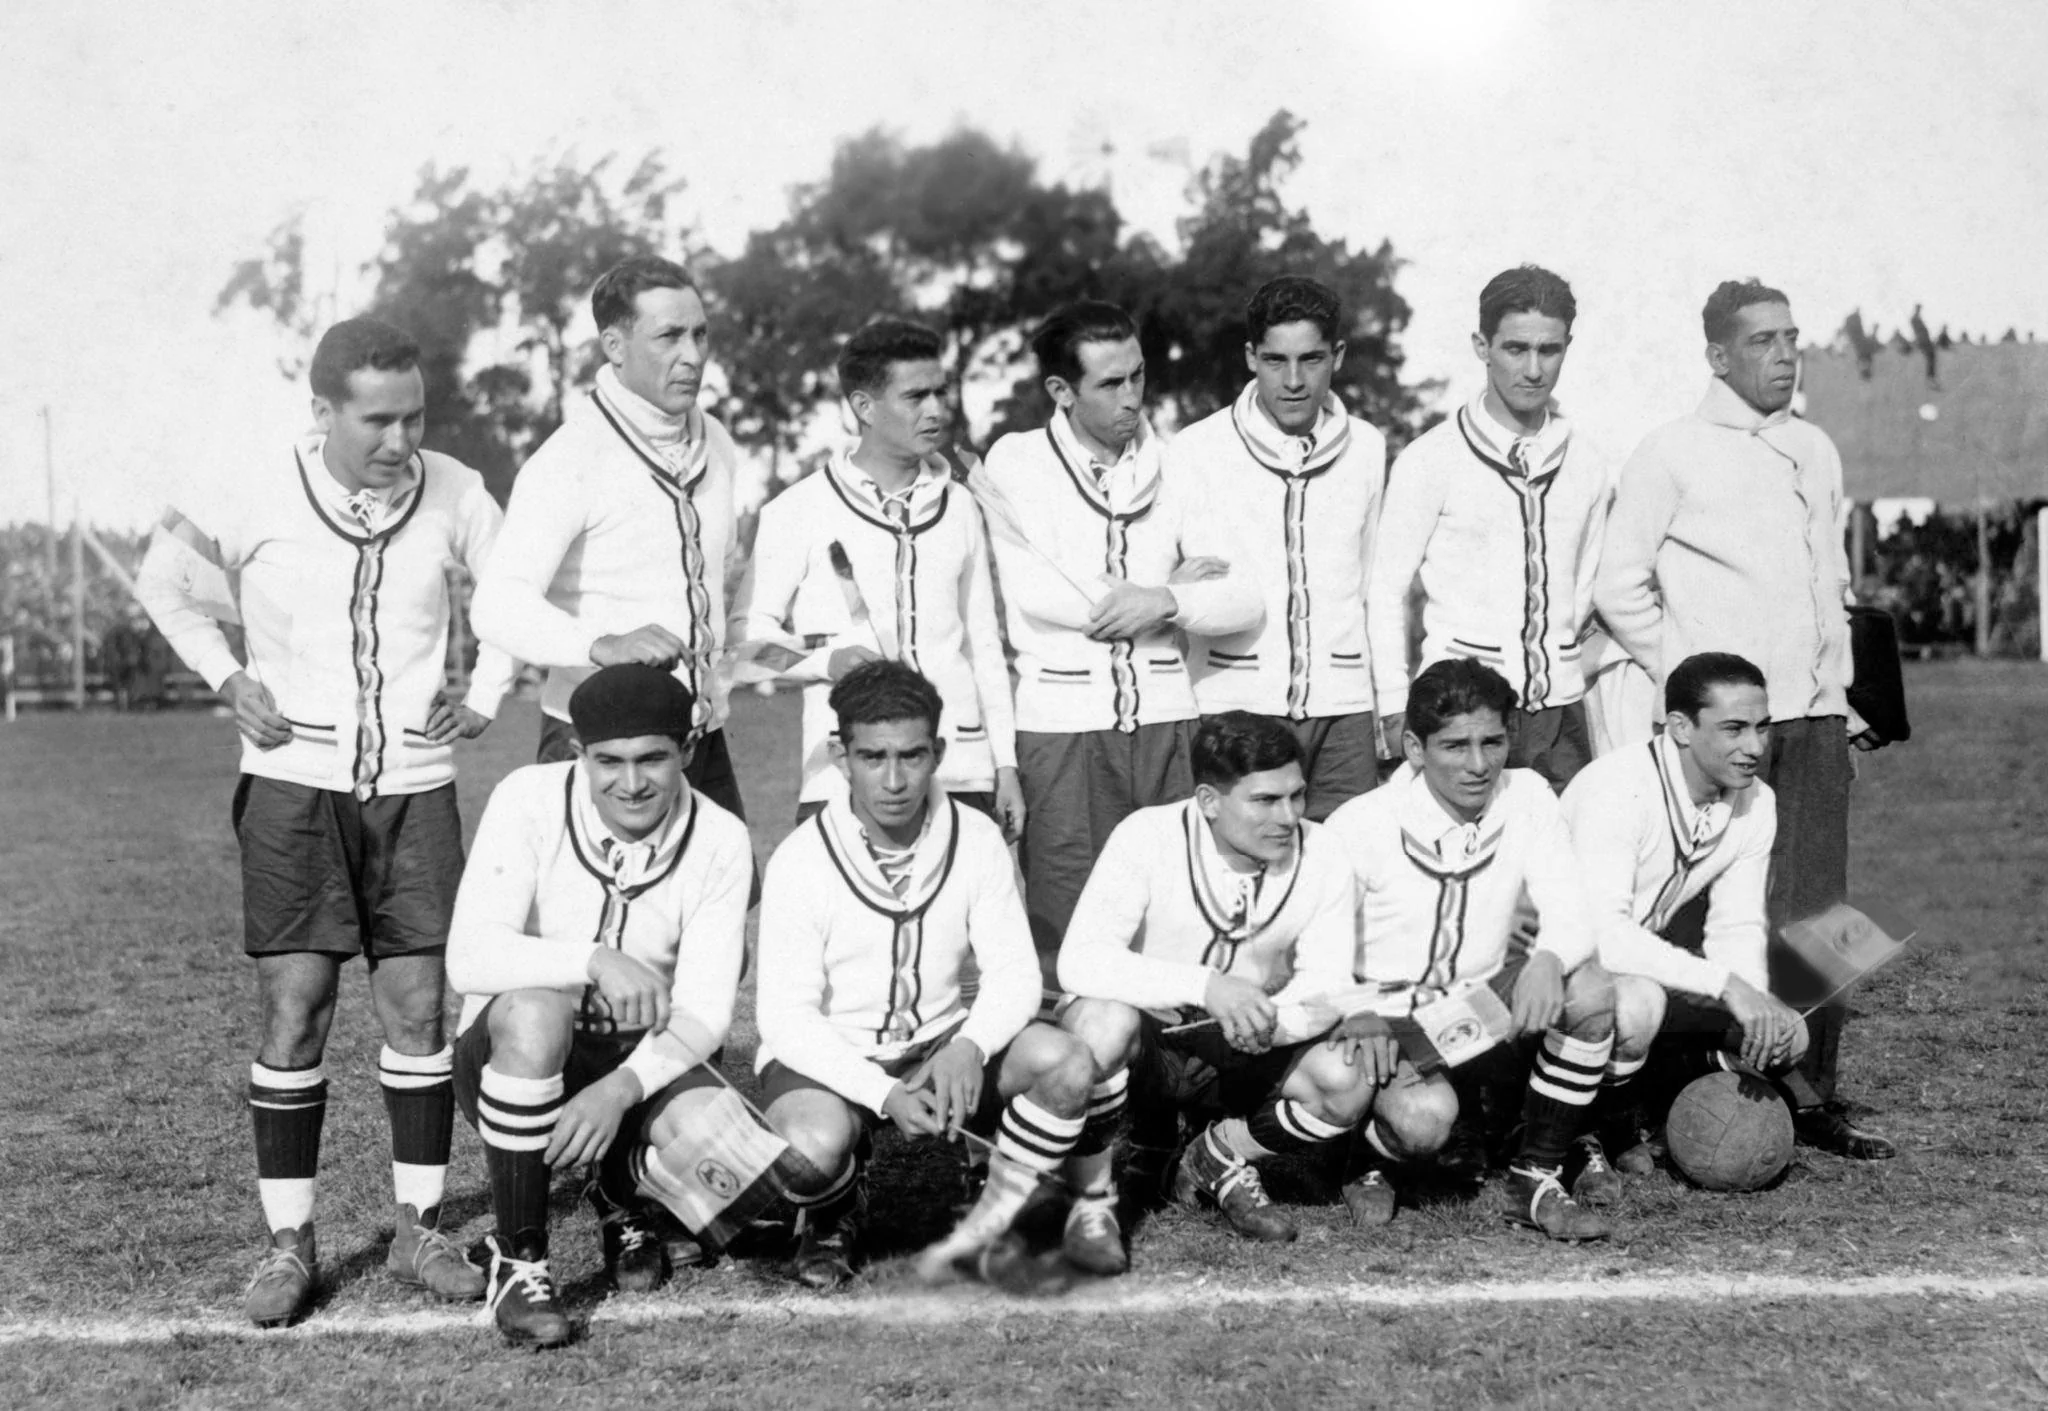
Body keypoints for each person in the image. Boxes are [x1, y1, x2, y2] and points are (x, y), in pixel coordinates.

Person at [135, 317, 516, 1327]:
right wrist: (229, 678)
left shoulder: (459, 490)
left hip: (416, 784)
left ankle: (421, 1227)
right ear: (322, 413)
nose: (400, 441)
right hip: (292, 785)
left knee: (418, 1010)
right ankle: (287, 1243)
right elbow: (161, 583)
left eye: (414, 416)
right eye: (377, 420)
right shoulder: (248, 485)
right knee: (296, 1009)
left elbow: (516, 592)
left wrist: (489, 686)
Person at [1595, 278, 1893, 1160]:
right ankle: (1674, 1086)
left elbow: (1827, 584)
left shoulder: (1815, 446)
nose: (1785, 354)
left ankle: (1807, 1093)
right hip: (1726, 729)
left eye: (1792, 338)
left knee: (1823, 917)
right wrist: (1690, 679)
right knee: (1701, 909)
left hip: (1812, 722)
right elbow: (1619, 583)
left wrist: (1840, 693)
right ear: (1719, 357)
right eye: (1763, 341)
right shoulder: (1671, 450)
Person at [753, 661, 1097, 1287]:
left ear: (938, 751)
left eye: (911, 756)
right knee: (807, 1151)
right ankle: (834, 1213)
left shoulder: (977, 836)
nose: (892, 780)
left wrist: (970, 1045)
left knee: (1067, 1062)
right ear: (839, 754)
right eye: (872, 757)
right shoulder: (801, 859)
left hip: (938, 1045)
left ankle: (996, 1207)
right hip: (831, 1057)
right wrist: (881, 1093)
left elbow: (1014, 973)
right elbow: (782, 1016)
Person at [446, 665, 752, 1347]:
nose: (631, 781)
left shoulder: (722, 836)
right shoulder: (527, 796)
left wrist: (616, 1091)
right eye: (608, 760)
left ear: (690, 752)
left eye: (653, 758)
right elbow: (468, 956)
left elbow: (706, 1010)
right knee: (537, 1009)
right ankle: (520, 1261)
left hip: (631, 1071)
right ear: (579, 756)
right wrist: (590, 958)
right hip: (513, 1060)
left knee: (740, 1167)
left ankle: (624, 1196)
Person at [979, 300, 1263, 982]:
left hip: (1169, 725)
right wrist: (1168, 585)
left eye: (1138, 376)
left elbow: (1246, 596)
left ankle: (1171, 1080)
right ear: (1060, 390)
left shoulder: (1176, 464)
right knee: (1067, 918)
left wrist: (1165, 598)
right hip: (1063, 731)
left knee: (1173, 910)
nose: (1133, 397)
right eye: (1110, 383)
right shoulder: (1017, 460)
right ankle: (1075, 1079)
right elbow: (1040, 590)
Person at [1322, 659, 1619, 1241]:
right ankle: (1367, 1153)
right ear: (1413, 746)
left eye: (1493, 742)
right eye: (1456, 746)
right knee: (1423, 1124)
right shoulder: (1360, 824)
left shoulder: (1528, 794)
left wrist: (1549, 958)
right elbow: (1310, 943)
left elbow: (1572, 907)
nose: (1479, 764)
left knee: (1591, 990)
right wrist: (1356, 1009)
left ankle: (1534, 1174)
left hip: (1479, 1009)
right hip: (1391, 1022)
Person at [1057, 712, 1374, 1254]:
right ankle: (1094, 1198)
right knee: (1100, 1021)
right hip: (1152, 1039)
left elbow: (1329, 981)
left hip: (1243, 1043)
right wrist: (1205, 986)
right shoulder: (1147, 834)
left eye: (1296, 796)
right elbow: (1080, 961)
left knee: (1347, 1079)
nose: (1289, 816)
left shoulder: (1323, 851)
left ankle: (1217, 1154)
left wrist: (1271, 1026)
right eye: (1265, 800)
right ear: (1208, 800)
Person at [471, 255, 747, 820]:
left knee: (720, 903)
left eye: (700, 334)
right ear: (614, 347)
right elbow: (497, 605)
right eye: (668, 336)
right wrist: (602, 644)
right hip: (598, 743)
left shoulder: (717, 440)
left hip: (700, 737)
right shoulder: (570, 457)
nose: (692, 356)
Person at [731, 317, 1021, 832]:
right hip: (844, 773)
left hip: (961, 769)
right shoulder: (797, 509)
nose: (935, 410)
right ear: (864, 406)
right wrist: (827, 660)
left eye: (940, 393)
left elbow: (983, 650)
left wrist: (1006, 767)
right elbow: (743, 645)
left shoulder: (960, 506)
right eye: (916, 397)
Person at [1563, 652, 1810, 1178]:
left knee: (1788, 1032)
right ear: (1680, 727)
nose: (1756, 748)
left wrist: (1754, 1001)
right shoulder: (1616, 787)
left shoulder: (1755, 800)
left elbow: (1737, 924)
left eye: (1761, 728)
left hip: (1625, 961)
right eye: (1734, 729)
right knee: (1637, 1004)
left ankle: (1651, 1090)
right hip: (1542, 970)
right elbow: (1601, 937)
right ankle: (1580, 1128)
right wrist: (1727, 986)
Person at [1367, 265, 1608, 790]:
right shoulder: (1431, 458)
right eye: (1515, 349)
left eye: (1550, 350)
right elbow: (1385, 591)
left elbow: (1582, 588)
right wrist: (1392, 706)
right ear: (1482, 345)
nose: (1533, 369)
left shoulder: (1587, 462)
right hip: (1462, 712)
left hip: (1560, 716)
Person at [1169, 275, 1388, 819]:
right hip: (1234, 707)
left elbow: (1372, 583)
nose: (1293, 380)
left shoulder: (1367, 447)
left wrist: (1386, 701)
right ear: (1250, 357)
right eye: (1274, 361)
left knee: (1344, 874)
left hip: (1344, 711)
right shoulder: (1195, 449)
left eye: (1311, 359)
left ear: (1337, 355)